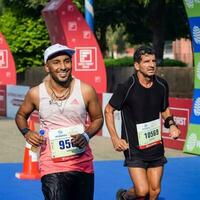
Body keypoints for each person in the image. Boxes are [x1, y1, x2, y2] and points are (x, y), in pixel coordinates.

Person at [15, 43, 103, 200]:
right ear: (47, 67)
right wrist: (27, 132)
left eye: (67, 61)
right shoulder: (36, 93)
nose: (63, 67)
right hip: (51, 165)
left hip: (82, 164)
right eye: (56, 62)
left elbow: (98, 118)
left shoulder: (85, 90)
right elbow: (21, 115)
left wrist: (86, 136)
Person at [104, 46, 180, 200]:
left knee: (155, 191)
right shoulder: (127, 87)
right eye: (146, 61)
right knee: (142, 191)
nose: (152, 64)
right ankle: (125, 196)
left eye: (153, 61)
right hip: (133, 147)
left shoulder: (162, 85)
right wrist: (115, 138)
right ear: (137, 66)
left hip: (155, 144)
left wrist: (171, 124)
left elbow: (164, 108)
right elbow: (108, 110)